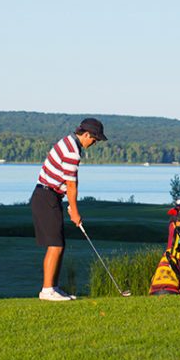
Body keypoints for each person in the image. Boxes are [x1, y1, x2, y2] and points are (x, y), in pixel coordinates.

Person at [30, 118, 107, 301]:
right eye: (94, 139)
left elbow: (67, 183)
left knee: (59, 244)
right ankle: (47, 290)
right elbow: (71, 185)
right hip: (46, 196)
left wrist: (71, 207)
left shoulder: (69, 142)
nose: (94, 143)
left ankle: (53, 288)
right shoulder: (72, 151)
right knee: (55, 244)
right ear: (86, 134)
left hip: (49, 196)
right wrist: (75, 210)